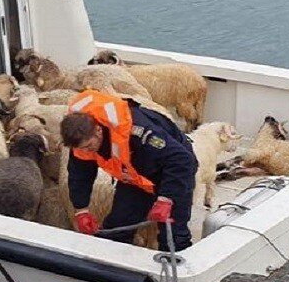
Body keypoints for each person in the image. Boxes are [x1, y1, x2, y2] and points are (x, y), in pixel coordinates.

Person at [60, 89, 199, 251]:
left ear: (98, 130)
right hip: (135, 177)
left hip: (173, 172)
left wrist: (166, 198)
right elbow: (79, 175)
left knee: (173, 236)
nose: (87, 151)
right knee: (117, 229)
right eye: (82, 148)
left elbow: (182, 160)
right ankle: (110, 261)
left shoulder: (140, 132)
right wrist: (81, 210)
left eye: (89, 146)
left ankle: (176, 260)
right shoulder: (81, 142)